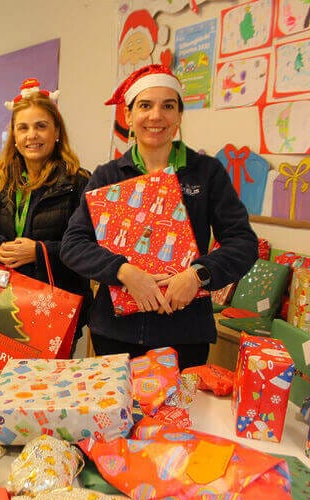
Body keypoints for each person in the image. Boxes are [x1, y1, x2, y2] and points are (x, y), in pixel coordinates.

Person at [60, 65, 258, 369]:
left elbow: (243, 242)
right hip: (116, 333)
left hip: (184, 335)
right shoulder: (108, 176)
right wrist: (123, 272)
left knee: (180, 416)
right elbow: (73, 244)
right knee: (120, 415)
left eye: (168, 106)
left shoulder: (206, 172)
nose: (156, 116)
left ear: (179, 116)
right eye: (145, 105)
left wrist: (198, 275)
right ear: (128, 116)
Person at [0, 80, 92, 349]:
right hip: (8, 301)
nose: (32, 135)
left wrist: (40, 252)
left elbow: (88, 247)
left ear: (56, 132)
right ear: (15, 137)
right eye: (23, 128)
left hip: (57, 301)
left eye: (41, 126)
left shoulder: (78, 182)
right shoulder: (2, 183)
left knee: (48, 386)